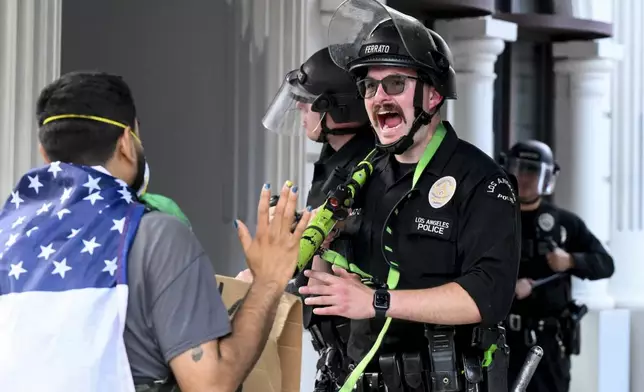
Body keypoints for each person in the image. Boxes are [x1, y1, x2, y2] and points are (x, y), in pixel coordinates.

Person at [0, 70, 312, 392]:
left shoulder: (5, 237)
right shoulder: (157, 235)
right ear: (125, 143)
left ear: (45, 155)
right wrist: (268, 281)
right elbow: (210, 385)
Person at [295, 1, 522, 391]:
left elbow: (488, 297)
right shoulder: (361, 176)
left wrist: (378, 302)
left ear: (432, 96)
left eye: (395, 84)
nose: (378, 96)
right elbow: (342, 282)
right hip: (354, 376)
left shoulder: (482, 180)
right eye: (369, 86)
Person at [237, 46, 375, 391]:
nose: (300, 105)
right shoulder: (335, 160)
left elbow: (349, 262)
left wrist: (274, 281)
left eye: (308, 99)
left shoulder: (370, 170)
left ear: (338, 107)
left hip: (367, 356)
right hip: (338, 354)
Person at [500, 140, 615, 392]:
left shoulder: (565, 224)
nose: (525, 178)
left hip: (548, 345)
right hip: (501, 339)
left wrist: (572, 261)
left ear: (546, 177)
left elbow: (605, 265)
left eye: (532, 172)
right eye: (519, 170)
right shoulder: (494, 219)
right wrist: (508, 288)